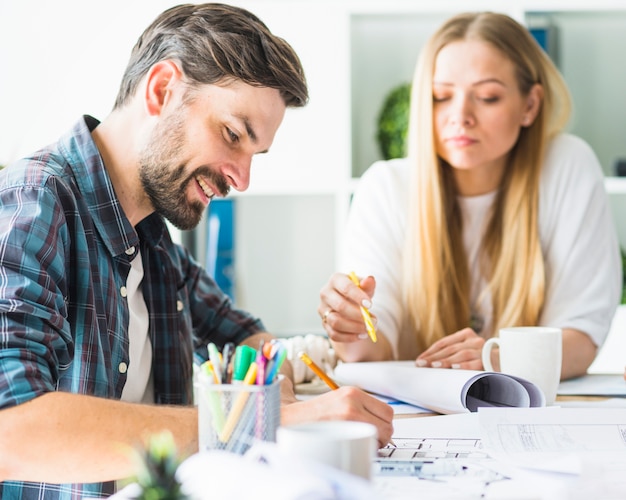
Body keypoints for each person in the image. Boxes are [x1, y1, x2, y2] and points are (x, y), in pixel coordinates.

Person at [0, 4, 394, 498]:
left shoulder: (155, 242)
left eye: (255, 155)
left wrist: (280, 375)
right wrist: (259, 423)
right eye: (233, 135)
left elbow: (245, 339)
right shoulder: (33, 202)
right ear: (162, 89)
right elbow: (12, 430)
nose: (242, 179)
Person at [319, 12, 621, 381]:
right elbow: (371, 353)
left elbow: (581, 338)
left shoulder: (568, 168)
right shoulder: (385, 188)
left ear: (530, 105)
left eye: (487, 97)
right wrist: (348, 328)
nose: (459, 116)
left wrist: (498, 358)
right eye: (441, 96)